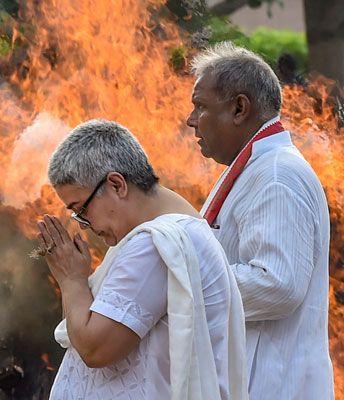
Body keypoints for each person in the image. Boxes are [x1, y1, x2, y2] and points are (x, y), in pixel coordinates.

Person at [39, 119, 247, 400]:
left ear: (116, 185)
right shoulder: (169, 231)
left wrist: (71, 279)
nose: (85, 224)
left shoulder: (156, 244)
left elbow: (94, 347)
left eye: (81, 209)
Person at [186, 42, 333, 399]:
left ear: (239, 108)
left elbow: (278, 284)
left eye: (200, 107)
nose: (191, 120)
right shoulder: (257, 167)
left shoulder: (277, 174)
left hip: (273, 386)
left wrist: (180, 281)